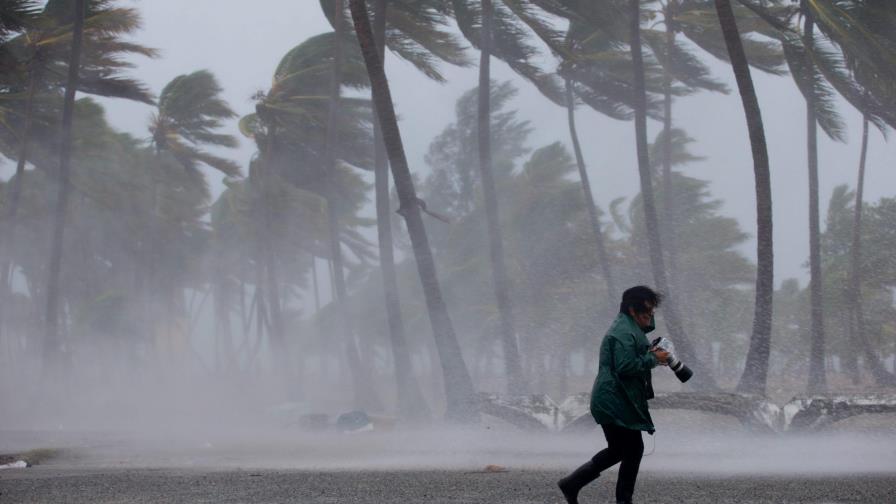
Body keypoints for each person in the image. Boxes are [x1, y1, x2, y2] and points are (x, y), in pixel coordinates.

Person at [558, 285, 669, 504]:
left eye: (652, 310)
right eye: (647, 311)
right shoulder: (623, 332)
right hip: (614, 400)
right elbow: (625, 366)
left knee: (620, 449)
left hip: (615, 399)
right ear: (632, 310)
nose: (650, 315)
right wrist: (653, 359)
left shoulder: (630, 327)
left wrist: (652, 353)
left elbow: (639, 341)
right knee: (632, 449)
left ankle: (572, 483)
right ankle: (621, 500)